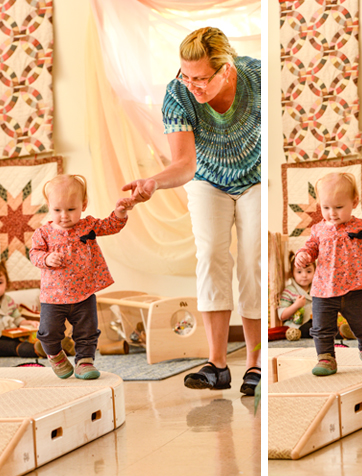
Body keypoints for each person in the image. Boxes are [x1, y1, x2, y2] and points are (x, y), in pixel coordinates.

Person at [121, 27, 261, 395]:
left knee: (252, 258)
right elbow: (184, 164)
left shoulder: (258, 79)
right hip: (206, 179)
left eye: (201, 78)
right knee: (212, 254)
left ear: (226, 69)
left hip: (257, 178)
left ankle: (256, 362)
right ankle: (217, 365)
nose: (192, 85)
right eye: (186, 74)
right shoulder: (178, 94)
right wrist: (154, 182)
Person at [30, 175, 133, 379]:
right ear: (48, 206)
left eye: (71, 209)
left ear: (83, 205)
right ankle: (56, 355)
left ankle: (85, 361)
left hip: (84, 293)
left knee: (87, 332)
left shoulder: (87, 226)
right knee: (48, 332)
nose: (64, 216)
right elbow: (34, 254)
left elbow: (110, 225)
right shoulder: (43, 233)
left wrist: (120, 212)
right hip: (53, 296)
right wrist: (47, 258)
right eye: (57, 210)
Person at [294, 173, 362, 376]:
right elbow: (310, 248)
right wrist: (303, 255)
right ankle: (326, 358)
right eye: (326, 207)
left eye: (339, 207)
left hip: (354, 288)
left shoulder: (361, 226)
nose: (332, 213)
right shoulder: (318, 229)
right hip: (324, 290)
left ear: (354, 202)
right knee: (322, 328)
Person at [278, 253, 355, 341]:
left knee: (326, 325)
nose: (304, 275)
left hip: (316, 321)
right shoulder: (289, 291)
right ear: (292, 273)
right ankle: (342, 334)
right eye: (299, 272)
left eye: (309, 271)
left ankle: (346, 332)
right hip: (298, 327)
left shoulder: (317, 288)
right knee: (315, 328)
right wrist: (296, 305)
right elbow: (282, 315)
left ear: (315, 271)